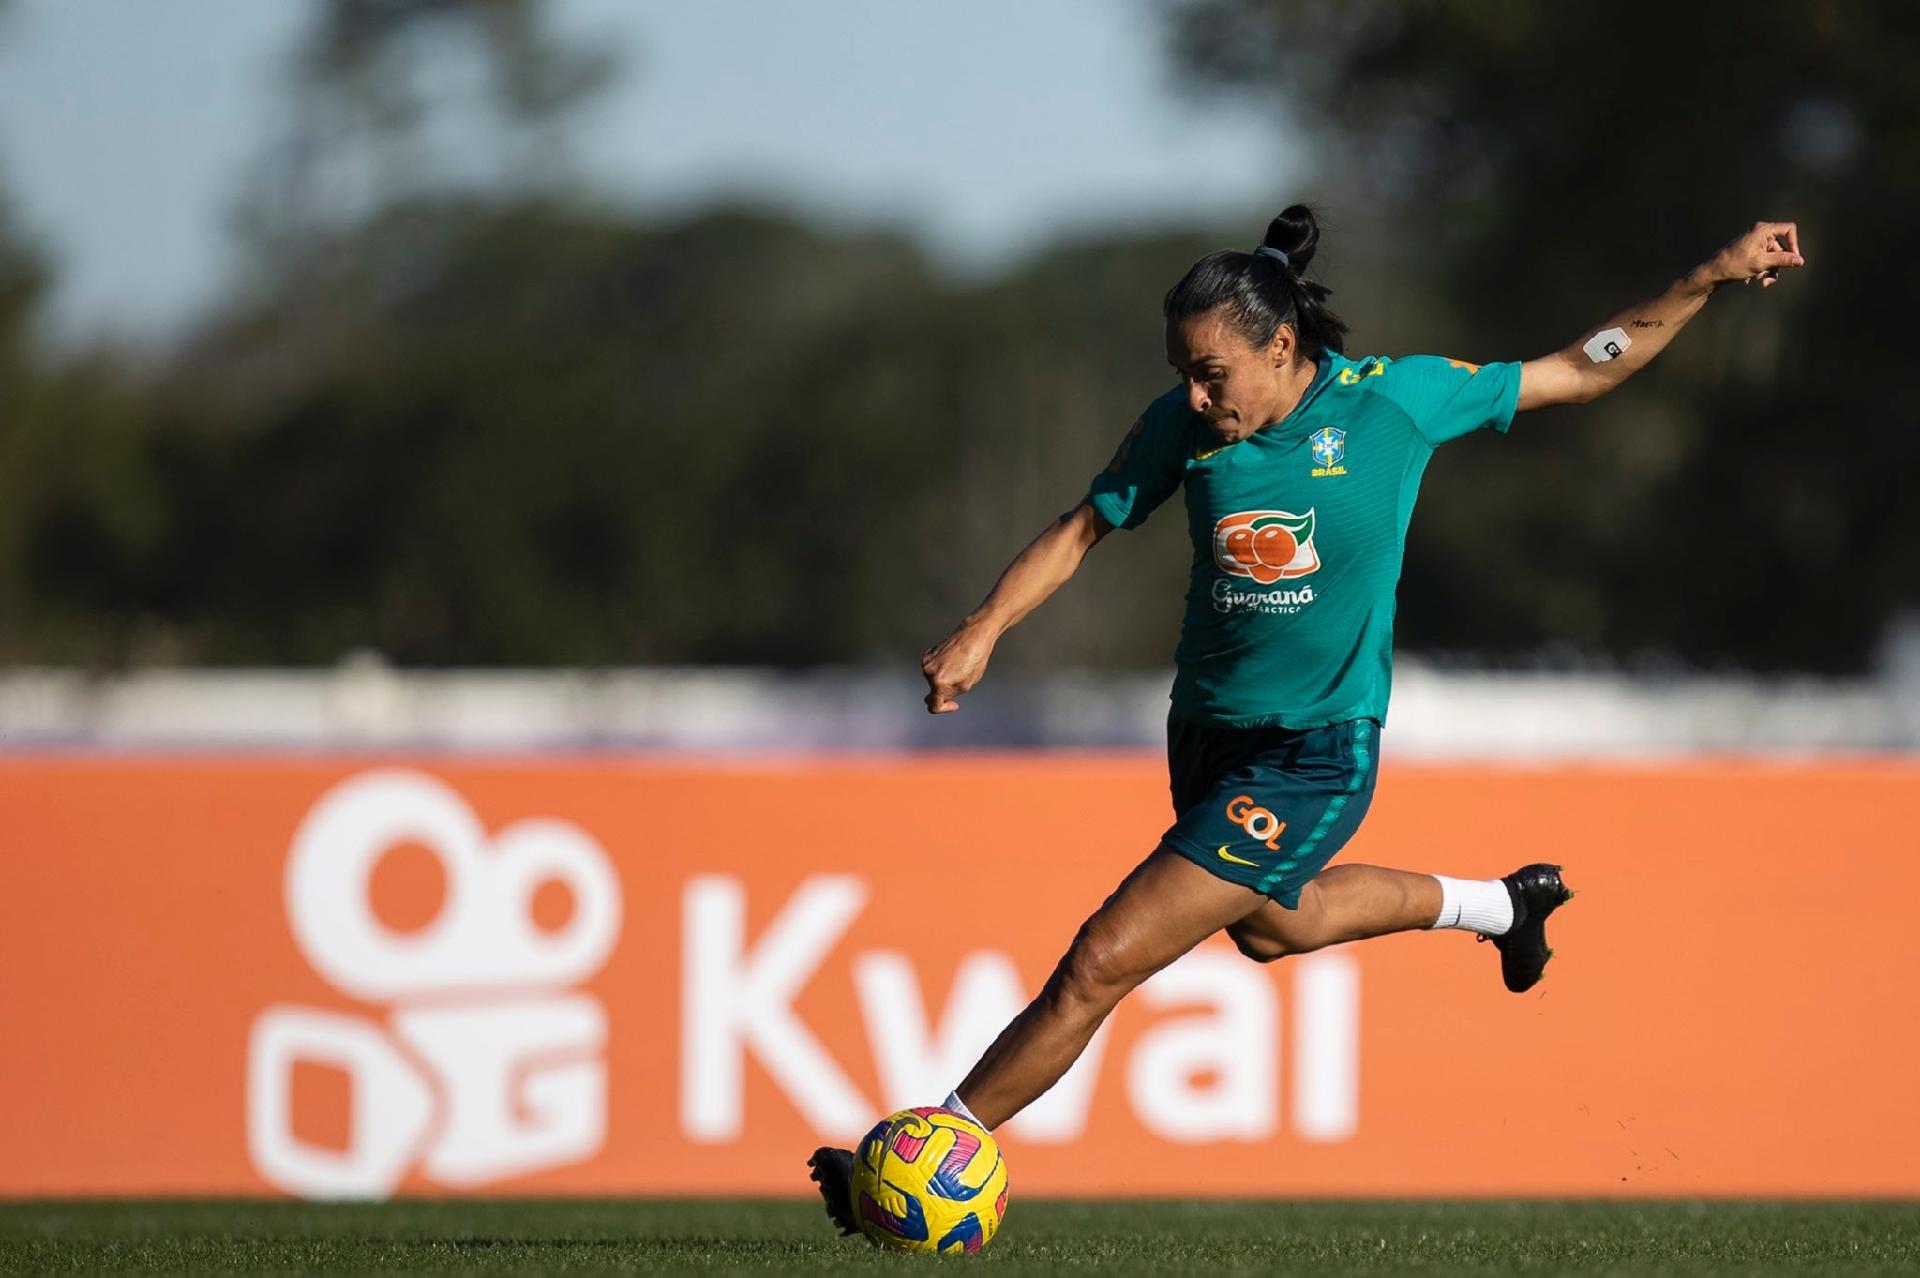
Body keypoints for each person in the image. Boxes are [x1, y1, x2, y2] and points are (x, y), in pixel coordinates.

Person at [810, 206, 1805, 1229]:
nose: (1195, 397)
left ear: (1281, 348)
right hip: (1206, 732)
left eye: (1212, 375)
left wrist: (1708, 277)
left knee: (1105, 957)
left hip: (1313, 753)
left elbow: (1583, 367)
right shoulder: (1182, 430)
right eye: (1184, 375)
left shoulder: (1398, 404)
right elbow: (1079, 529)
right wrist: (984, 628)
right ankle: (1506, 907)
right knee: (1281, 931)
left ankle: (923, 1159)